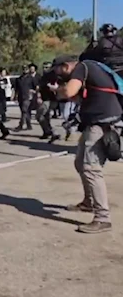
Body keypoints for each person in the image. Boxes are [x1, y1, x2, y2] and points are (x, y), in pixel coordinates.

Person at [53, 55, 122, 234]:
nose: (56, 73)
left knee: (91, 168)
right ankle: (88, 202)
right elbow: (77, 98)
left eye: (57, 69)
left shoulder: (82, 67)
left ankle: (102, 218)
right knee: (80, 163)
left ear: (66, 66)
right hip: (96, 122)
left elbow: (68, 92)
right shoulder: (91, 69)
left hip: (102, 124)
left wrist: (57, 91)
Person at [36, 65, 61, 142]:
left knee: (39, 116)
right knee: (45, 117)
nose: (45, 69)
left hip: (50, 99)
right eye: (44, 67)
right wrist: (38, 96)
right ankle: (47, 132)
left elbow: (57, 86)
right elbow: (39, 88)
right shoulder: (43, 77)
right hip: (45, 98)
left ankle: (52, 131)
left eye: (47, 67)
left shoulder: (54, 76)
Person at [13, 64, 37, 131]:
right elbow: (16, 88)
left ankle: (20, 125)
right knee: (25, 112)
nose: (25, 70)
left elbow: (36, 87)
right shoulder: (19, 79)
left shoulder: (31, 78)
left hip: (28, 97)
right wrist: (15, 96)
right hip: (20, 97)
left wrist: (34, 92)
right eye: (23, 69)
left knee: (24, 110)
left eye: (26, 69)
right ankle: (29, 125)